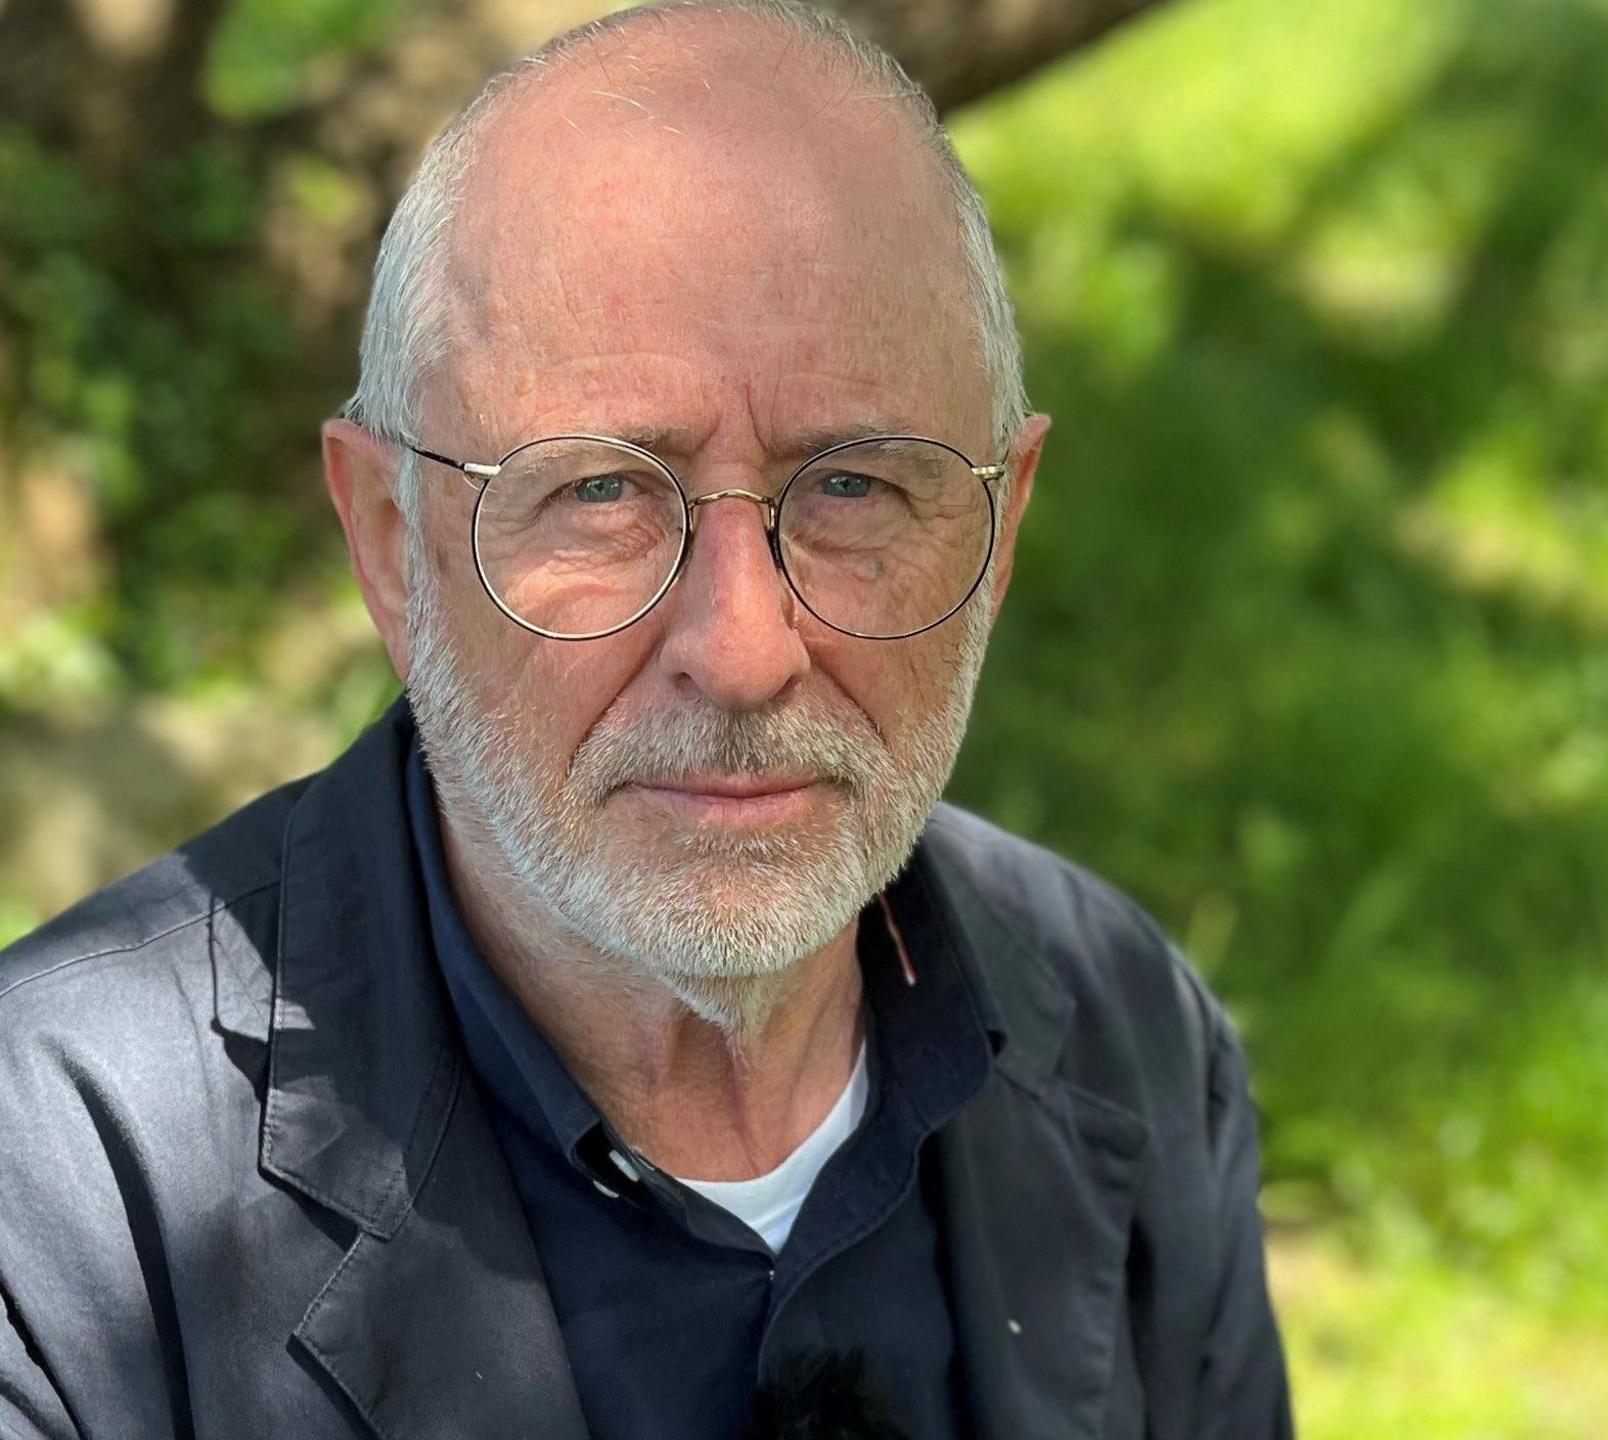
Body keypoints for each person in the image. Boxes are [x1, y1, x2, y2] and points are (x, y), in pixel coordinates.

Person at [0, 4, 1293, 1437]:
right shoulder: (55, 1193)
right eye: (602, 494)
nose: (743, 653)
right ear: (387, 534)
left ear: (1001, 530)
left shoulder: (1126, 1030)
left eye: (857, 488)